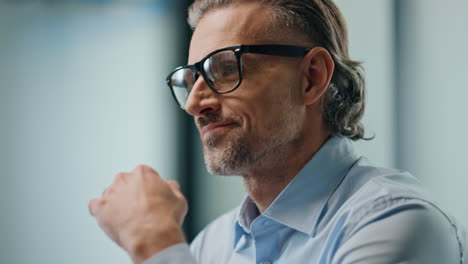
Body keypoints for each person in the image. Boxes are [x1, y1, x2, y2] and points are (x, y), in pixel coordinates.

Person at [88, 0, 466, 263]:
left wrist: (156, 245)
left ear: (311, 78)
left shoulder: (395, 223)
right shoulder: (213, 246)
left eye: (224, 68)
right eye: (192, 79)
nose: (194, 103)